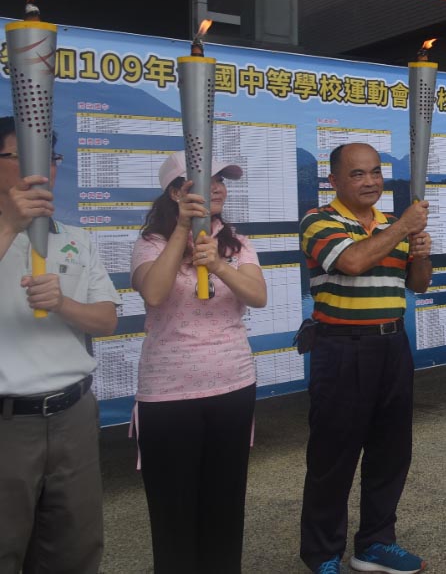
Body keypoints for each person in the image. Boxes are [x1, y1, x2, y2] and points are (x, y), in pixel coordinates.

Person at [298, 143, 432, 574]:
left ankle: (375, 542)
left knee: (391, 451)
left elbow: (419, 284)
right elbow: (353, 261)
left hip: (392, 345)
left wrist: (422, 252)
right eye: (358, 174)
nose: (371, 181)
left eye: (376, 172)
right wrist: (403, 229)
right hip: (341, 347)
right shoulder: (318, 221)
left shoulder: (391, 223)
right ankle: (322, 554)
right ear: (334, 180)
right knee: (333, 455)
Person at [130, 151, 267, 572]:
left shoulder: (237, 243)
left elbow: (258, 297)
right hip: (168, 396)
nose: (220, 187)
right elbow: (153, 293)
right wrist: (183, 234)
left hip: (233, 387)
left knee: (224, 508)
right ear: (176, 192)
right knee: (174, 514)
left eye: (223, 179)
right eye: (207, 180)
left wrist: (219, 266)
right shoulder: (149, 243)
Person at [0, 116, 119, 573]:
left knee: (74, 547)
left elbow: (107, 319)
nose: (40, 170)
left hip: (72, 416)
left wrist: (64, 304)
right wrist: (11, 224)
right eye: (22, 158)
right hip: (9, 424)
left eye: (48, 158)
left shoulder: (75, 239)